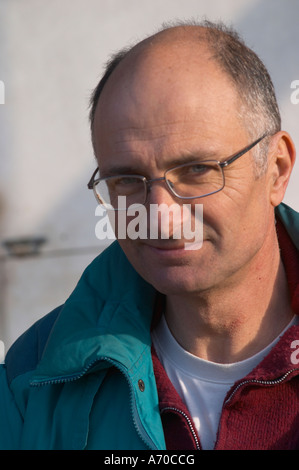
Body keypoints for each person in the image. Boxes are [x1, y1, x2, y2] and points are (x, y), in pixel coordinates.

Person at [1, 19, 299, 451]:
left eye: (197, 170)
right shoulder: (34, 376)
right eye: (126, 179)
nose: (159, 215)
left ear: (276, 170)